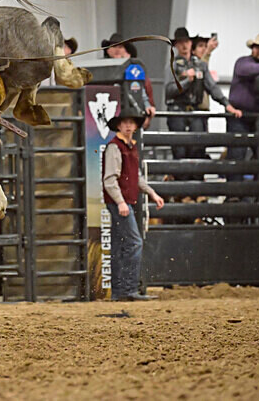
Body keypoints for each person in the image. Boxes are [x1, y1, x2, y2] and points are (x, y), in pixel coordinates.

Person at [102, 108, 165, 301]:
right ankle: (128, 289)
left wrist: (152, 193)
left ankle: (121, 291)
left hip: (122, 201)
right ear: (119, 126)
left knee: (123, 245)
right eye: (125, 123)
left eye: (131, 123)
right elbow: (110, 179)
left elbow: (135, 177)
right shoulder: (116, 147)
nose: (128, 126)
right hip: (120, 202)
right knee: (133, 242)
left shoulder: (129, 147)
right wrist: (120, 202)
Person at [165, 27, 241, 165]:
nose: (184, 45)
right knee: (179, 150)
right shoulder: (173, 65)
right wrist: (187, 81)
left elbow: (212, 86)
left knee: (197, 148)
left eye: (186, 42)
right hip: (177, 111)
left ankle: (196, 179)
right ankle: (180, 181)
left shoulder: (200, 65)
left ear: (190, 43)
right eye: (180, 42)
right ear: (176, 45)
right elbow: (169, 90)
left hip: (196, 111)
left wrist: (227, 104)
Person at [226, 33, 259, 181]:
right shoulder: (243, 63)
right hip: (240, 115)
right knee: (237, 154)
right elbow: (247, 70)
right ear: (252, 48)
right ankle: (234, 193)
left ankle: (258, 193)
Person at [101, 33, 156, 125]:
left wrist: (147, 107)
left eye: (120, 46)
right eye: (114, 46)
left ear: (126, 51)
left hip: (129, 113)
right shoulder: (101, 68)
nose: (117, 49)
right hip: (107, 111)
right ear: (108, 50)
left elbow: (141, 91)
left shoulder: (134, 69)